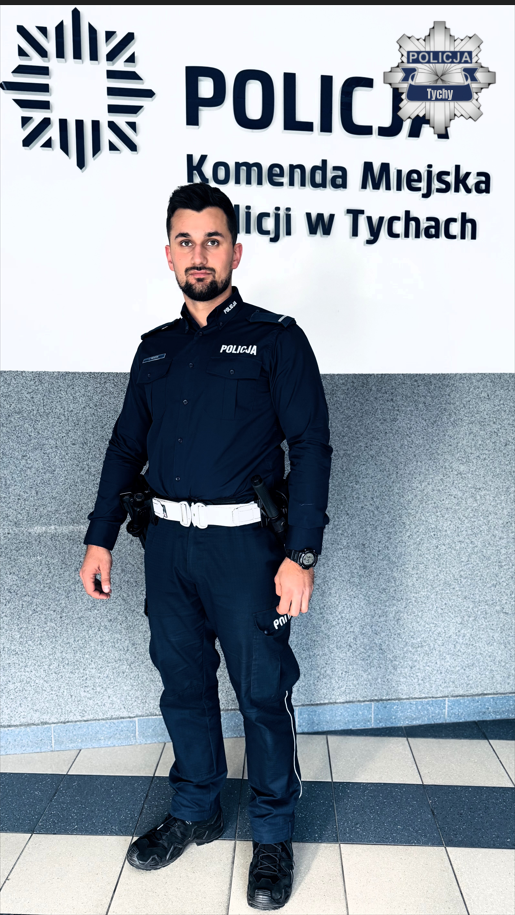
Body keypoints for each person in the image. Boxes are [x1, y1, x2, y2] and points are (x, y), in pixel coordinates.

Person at [80, 182, 332, 910]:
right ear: (168, 255)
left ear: (235, 252)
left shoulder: (275, 339)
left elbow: (310, 447)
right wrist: (100, 538)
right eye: (185, 241)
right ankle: (197, 808)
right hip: (167, 549)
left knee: (261, 693)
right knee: (182, 684)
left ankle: (273, 833)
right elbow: (125, 447)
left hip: (247, 554)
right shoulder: (154, 350)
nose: (199, 254)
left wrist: (301, 555)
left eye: (212, 240)